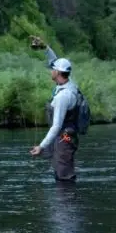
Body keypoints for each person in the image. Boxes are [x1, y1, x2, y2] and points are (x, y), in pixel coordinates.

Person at [29, 36, 80, 182]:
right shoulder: (69, 83)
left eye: (53, 69)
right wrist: (45, 47)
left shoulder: (62, 97)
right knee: (60, 163)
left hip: (65, 136)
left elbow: (57, 125)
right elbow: (54, 60)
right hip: (67, 134)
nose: (50, 70)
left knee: (64, 171)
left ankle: (67, 202)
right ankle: (63, 200)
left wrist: (41, 146)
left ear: (57, 73)